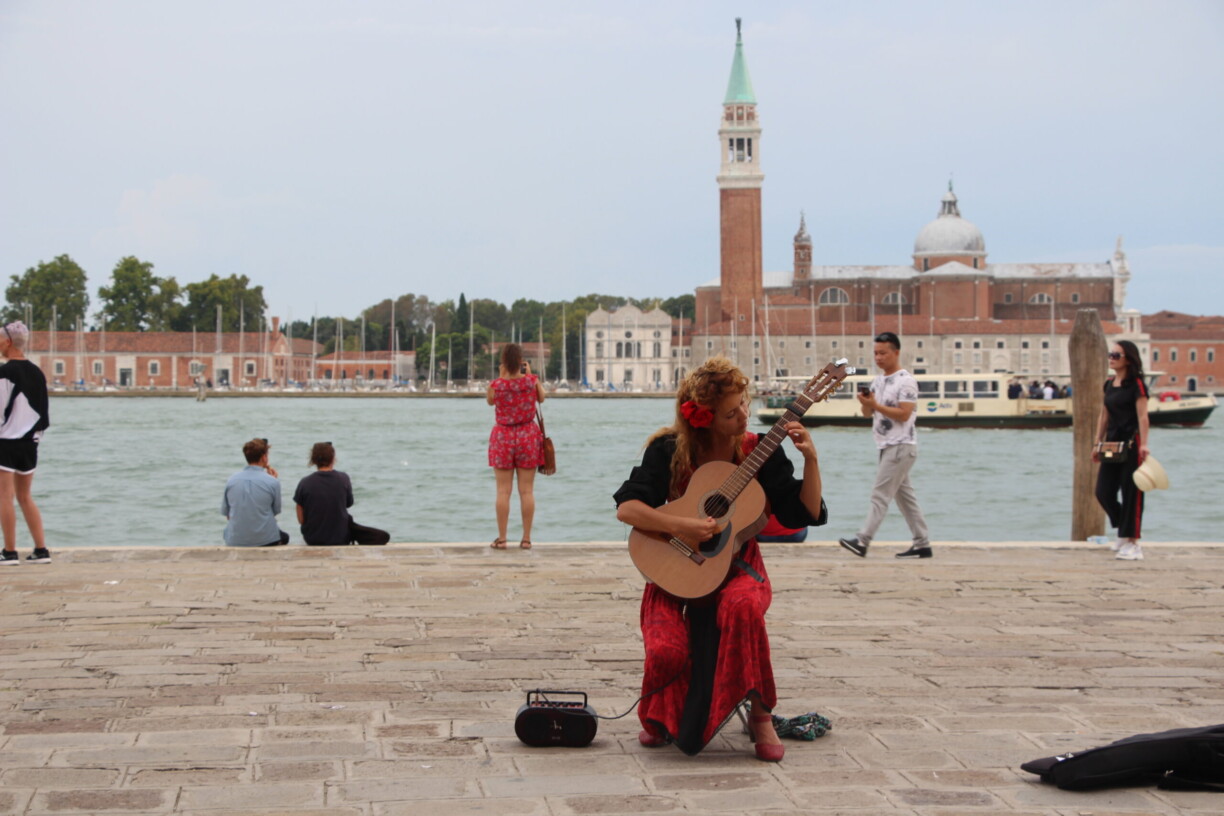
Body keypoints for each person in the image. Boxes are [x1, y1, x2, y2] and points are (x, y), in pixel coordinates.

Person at [613, 357, 826, 761]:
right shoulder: (667, 450)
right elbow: (627, 510)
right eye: (732, 412)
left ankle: (761, 714)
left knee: (742, 606)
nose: (744, 415)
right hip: (673, 568)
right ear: (704, 417)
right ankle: (659, 714)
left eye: (745, 403)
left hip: (737, 567)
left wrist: (811, 460)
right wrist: (682, 528)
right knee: (665, 650)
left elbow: (806, 514)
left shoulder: (758, 453)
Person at [839, 332, 932, 559]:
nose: (878, 358)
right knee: (906, 499)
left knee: (879, 495)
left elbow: (904, 414)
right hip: (886, 446)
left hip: (901, 445)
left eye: (883, 353)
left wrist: (876, 405)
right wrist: (866, 404)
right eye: (875, 353)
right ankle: (922, 544)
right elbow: (867, 413)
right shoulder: (878, 381)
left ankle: (862, 541)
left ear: (896, 352)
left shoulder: (906, 381)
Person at [1093, 340, 1151, 561]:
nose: (1111, 358)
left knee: (1132, 494)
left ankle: (1133, 543)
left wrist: (1144, 444)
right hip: (1110, 444)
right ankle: (1124, 532)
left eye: (1116, 355)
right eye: (1110, 354)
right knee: (1103, 492)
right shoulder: (1109, 384)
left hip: (1132, 444)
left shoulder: (1137, 385)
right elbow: (1104, 415)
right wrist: (1097, 443)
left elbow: (1143, 417)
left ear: (1128, 358)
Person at [0, 322, 51, 565]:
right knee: (24, 496)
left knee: (4, 497)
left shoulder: (5, 372)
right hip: (30, 443)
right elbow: (43, 413)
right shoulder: (37, 372)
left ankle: (9, 552)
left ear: (7, 342)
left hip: (6, 442)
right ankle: (41, 550)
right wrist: (35, 438)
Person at [486, 343, 546, 549]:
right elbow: (542, 398)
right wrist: (529, 375)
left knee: (503, 491)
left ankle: (502, 539)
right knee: (527, 491)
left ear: (503, 362)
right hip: (527, 436)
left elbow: (490, 402)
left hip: (503, 436)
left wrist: (502, 377)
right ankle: (526, 539)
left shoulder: (497, 384)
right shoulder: (531, 381)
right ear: (521, 361)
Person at [293, 442, 390, 546]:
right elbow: (348, 503)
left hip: (312, 539)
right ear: (333, 458)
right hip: (340, 538)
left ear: (313, 460)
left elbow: (301, 520)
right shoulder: (343, 478)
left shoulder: (305, 482)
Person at [221, 438, 289, 547]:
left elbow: (228, 515)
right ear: (264, 457)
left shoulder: (231, 480)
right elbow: (275, 511)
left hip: (235, 540)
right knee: (285, 537)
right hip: (266, 540)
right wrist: (274, 479)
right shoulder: (272, 482)